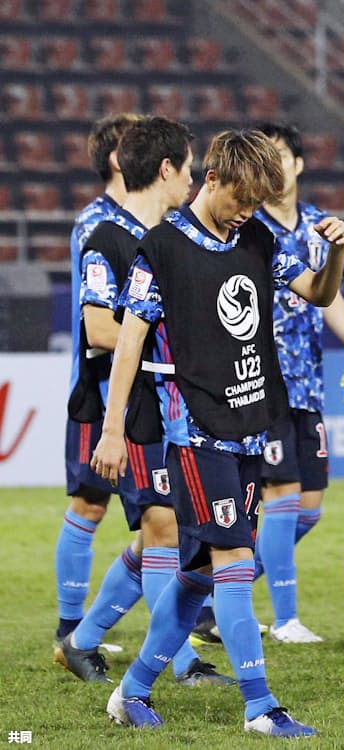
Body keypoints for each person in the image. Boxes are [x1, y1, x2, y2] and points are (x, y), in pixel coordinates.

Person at [91, 129, 344, 737]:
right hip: (195, 428)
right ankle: (261, 707)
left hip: (249, 424)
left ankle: (131, 693)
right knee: (235, 559)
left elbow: (317, 292)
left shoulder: (254, 236)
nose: (249, 212)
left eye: (259, 202)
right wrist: (111, 430)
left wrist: (334, 252)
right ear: (211, 179)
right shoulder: (161, 247)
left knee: (200, 573)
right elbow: (129, 340)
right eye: (242, 198)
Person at [56, 116, 233, 687]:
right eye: (187, 168)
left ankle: (80, 642)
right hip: (127, 407)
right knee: (162, 525)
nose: (193, 180)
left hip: (167, 406)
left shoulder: (175, 235)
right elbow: (99, 329)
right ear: (166, 169)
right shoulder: (106, 237)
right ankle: (181, 664)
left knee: (158, 531)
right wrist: (178, 337)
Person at [253, 121, 344, 643]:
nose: (273, 168)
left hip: (308, 383)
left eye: (280, 157)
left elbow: (329, 295)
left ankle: (210, 586)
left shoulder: (320, 226)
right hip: (261, 385)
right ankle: (286, 618)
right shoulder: (248, 228)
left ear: (297, 164)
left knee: (309, 508)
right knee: (283, 496)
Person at [55, 113, 142, 649]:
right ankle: (71, 627)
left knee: (155, 516)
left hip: (137, 392)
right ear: (118, 159)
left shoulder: (141, 219)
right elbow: (103, 324)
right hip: (102, 387)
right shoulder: (98, 224)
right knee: (91, 503)